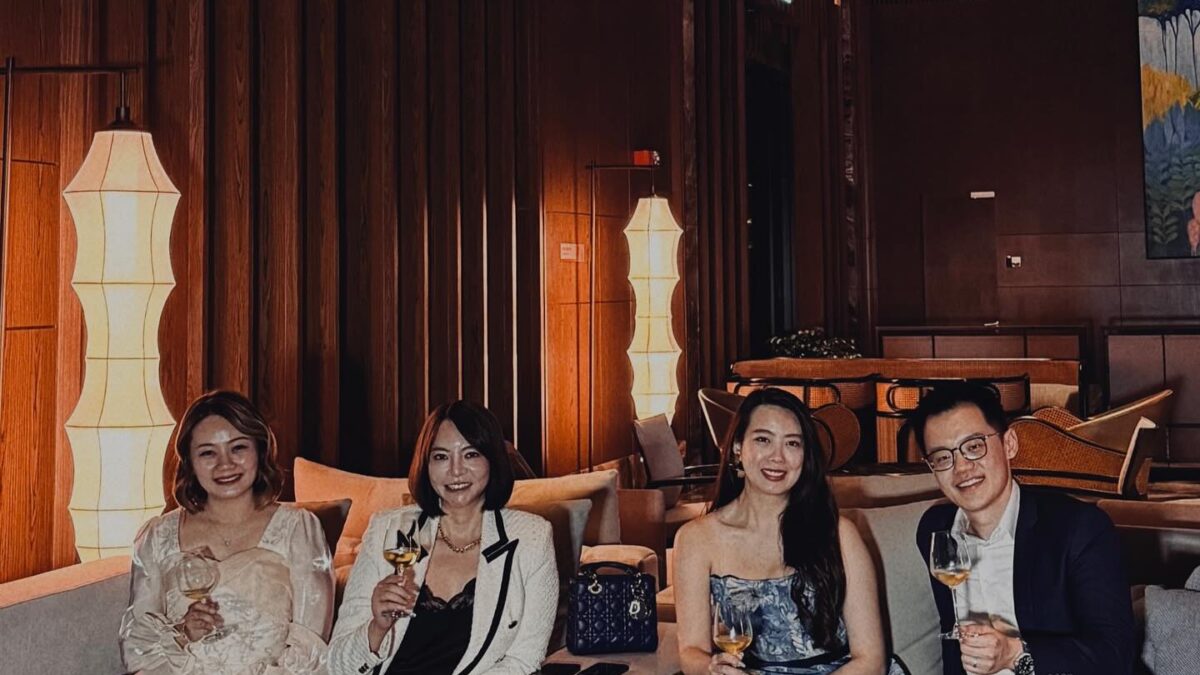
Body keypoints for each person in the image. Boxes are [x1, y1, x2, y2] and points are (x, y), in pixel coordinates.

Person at [675, 387, 904, 675]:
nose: (778, 457)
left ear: (805, 456)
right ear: (737, 447)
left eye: (793, 444)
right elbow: (690, 651)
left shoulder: (839, 535)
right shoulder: (696, 539)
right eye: (763, 439)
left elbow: (871, 661)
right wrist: (711, 668)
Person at [911, 382, 1135, 675]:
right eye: (942, 457)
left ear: (1009, 444)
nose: (961, 468)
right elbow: (952, 640)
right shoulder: (935, 531)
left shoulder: (1079, 528)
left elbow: (1116, 656)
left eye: (974, 447)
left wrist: (1015, 653)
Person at [327, 400, 557, 675]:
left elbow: (523, 661)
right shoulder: (387, 530)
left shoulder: (532, 538)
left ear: (492, 460)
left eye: (471, 455)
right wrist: (377, 627)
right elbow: (337, 666)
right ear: (425, 464)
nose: (456, 471)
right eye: (441, 457)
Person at [119, 390, 335, 674]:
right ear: (190, 462)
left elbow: (312, 650)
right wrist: (182, 633)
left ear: (259, 449)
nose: (225, 464)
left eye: (238, 448)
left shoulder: (299, 529)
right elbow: (138, 648)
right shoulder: (157, 537)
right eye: (208, 452)